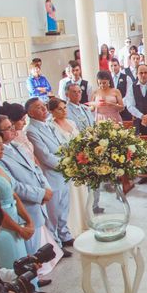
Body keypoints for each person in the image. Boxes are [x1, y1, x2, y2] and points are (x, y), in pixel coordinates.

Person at [0, 116, 51, 260]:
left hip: (25, 211)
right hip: (12, 217)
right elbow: (13, 188)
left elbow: (35, 168)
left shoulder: (15, 146)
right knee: (21, 258)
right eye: (8, 128)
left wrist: (45, 188)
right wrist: (39, 194)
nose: (14, 129)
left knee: (31, 255)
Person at [25, 98, 73, 255]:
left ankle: (65, 235)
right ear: (31, 112)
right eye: (38, 108)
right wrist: (65, 165)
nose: (44, 109)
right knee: (53, 211)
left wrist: (70, 160)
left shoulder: (49, 124)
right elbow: (45, 156)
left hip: (64, 171)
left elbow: (62, 144)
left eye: (43, 106)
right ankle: (56, 245)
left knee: (64, 207)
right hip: (52, 174)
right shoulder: (31, 130)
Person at [0, 130, 32, 269]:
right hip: (2, 229)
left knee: (23, 266)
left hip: (15, 222)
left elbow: (13, 194)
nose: (3, 147)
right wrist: (19, 230)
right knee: (12, 267)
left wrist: (28, 221)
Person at [48, 99, 88, 237]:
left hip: (79, 161)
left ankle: (85, 221)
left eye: (65, 107)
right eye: (60, 109)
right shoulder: (51, 126)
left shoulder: (71, 122)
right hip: (67, 162)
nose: (64, 111)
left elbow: (80, 139)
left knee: (82, 191)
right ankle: (72, 227)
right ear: (52, 111)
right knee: (70, 195)